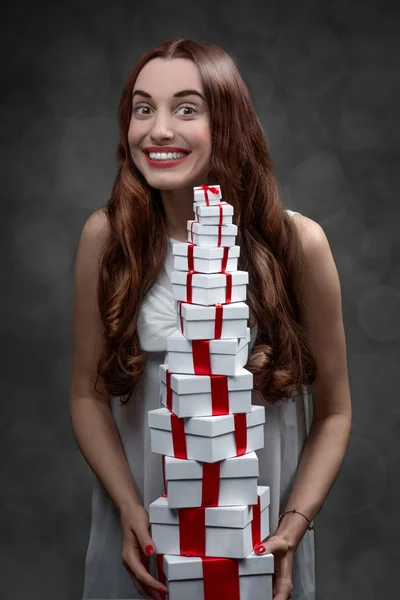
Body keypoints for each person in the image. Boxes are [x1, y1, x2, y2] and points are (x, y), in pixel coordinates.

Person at [70, 38, 352, 600]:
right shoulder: (107, 237)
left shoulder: (298, 243)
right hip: (146, 532)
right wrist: (130, 511)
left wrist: (292, 528)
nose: (158, 130)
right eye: (143, 108)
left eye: (186, 109)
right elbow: (86, 395)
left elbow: (335, 412)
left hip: (259, 538)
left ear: (228, 122)